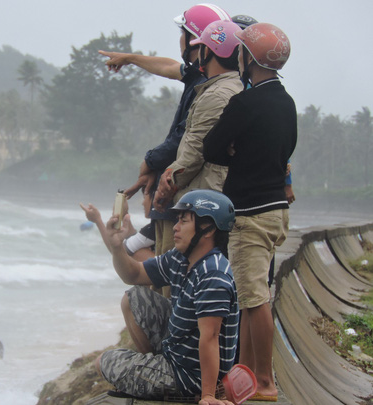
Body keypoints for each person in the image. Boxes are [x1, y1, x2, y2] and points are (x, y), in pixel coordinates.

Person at [203, 22, 297, 401]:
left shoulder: (245, 102)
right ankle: (241, 379)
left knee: (255, 299)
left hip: (250, 214)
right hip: (276, 211)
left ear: (247, 57)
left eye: (241, 51)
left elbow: (211, 147)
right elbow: (284, 150)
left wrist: (232, 149)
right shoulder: (287, 102)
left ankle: (264, 382)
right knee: (249, 295)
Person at [99, 4, 232, 262]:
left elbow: (183, 140)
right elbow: (168, 66)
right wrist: (129, 58)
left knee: (170, 277)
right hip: (178, 192)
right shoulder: (201, 75)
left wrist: (148, 162)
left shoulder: (207, 87)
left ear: (195, 41)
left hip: (179, 195)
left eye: (183, 34)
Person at [94, 189, 239, 404]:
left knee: (102, 362)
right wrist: (117, 248)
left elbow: (211, 337)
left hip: (191, 377)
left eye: (184, 221)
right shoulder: (181, 258)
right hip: (178, 355)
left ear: (207, 229)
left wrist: (208, 395)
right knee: (135, 297)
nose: (175, 227)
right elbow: (133, 274)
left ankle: (183, 390)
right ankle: (157, 367)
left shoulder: (213, 274)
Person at [153, 20, 243, 214]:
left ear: (209, 52)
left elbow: (195, 150)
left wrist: (168, 182)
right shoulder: (233, 87)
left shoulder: (216, 95)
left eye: (202, 47)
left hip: (204, 199)